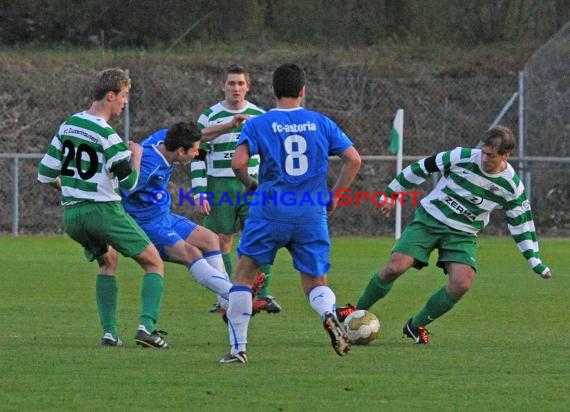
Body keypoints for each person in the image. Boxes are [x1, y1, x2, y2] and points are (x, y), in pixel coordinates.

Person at [339, 125, 552, 344]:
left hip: (463, 233)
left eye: (491, 155)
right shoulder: (462, 156)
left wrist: (534, 260)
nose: (483, 158)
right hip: (430, 219)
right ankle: (355, 313)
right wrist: (392, 193)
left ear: (505, 155)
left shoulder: (511, 186)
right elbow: (423, 167)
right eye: (483, 151)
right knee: (395, 267)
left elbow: (522, 223)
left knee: (462, 283)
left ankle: (415, 325)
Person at [220, 63, 362, 364]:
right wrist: (334, 196)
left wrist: (250, 185)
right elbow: (353, 160)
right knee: (316, 282)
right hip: (311, 213)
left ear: (273, 91)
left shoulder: (259, 123)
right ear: (302, 90)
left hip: (270, 210)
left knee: (244, 275)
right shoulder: (321, 122)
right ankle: (327, 313)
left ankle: (239, 349)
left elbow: (237, 163)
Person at [37, 68, 169, 349]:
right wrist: (137, 155)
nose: (125, 102)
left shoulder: (68, 125)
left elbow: (45, 175)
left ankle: (110, 333)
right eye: (124, 96)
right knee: (154, 262)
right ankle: (146, 327)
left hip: (72, 215)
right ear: (111, 95)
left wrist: (74, 191)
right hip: (103, 211)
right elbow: (131, 183)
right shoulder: (109, 137)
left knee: (108, 262)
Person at [120, 122, 265, 316]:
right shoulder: (149, 166)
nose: (197, 154)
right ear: (181, 151)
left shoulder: (166, 136)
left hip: (163, 216)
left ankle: (226, 303)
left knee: (210, 239)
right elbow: (126, 188)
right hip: (147, 224)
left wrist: (230, 125)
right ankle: (238, 296)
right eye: (195, 151)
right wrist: (136, 157)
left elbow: (201, 135)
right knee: (191, 253)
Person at [191, 64, 281, 314]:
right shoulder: (209, 116)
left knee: (262, 236)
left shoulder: (260, 116)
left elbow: (271, 156)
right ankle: (230, 293)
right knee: (221, 242)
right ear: (223, 86)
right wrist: (199, 191)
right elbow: (197, 153)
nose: (236, 88)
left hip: (252, 184)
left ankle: (262, 294)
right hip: (219, 184)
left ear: (248, 87)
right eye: (231, 83)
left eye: (240, 83)